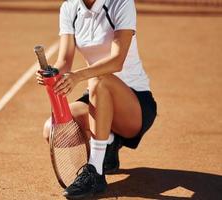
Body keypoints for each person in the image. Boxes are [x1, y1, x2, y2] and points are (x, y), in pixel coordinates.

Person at [36, 0, 157, 199]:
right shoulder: (69, 7)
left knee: (98, 80)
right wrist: (53, 72)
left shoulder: (122, 3)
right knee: (53, 130)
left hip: (134, 104)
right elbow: (65, 60)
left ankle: (95, 172)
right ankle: (108, 141)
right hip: (97, 96)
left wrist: (78, 76)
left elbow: (117, 61)